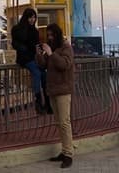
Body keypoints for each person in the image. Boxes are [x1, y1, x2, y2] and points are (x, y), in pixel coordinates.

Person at [38, 22, 75, 169]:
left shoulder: (66, 48)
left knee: (65, 122)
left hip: (63, 89)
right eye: (48, 35)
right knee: (59, 122)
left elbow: (64, 65)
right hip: (53, 89)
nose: (50, 38)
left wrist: (51, 54)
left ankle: (68, 154)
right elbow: (43, 65)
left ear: (58, 34)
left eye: (52, 35)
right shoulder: (52, 48)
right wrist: (39, 54)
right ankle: (64, 150)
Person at [10, 7, 50, 114]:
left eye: (34, 18)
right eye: (30, 18)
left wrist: (39, 48)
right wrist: (30, 48)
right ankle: (37, 100)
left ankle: (46, 100)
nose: (32, 20)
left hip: (33, 57)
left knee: (43, 74)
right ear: (26, 18)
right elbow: (16, 44)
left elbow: (35, 44)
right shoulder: (18, 29)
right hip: (24, 57)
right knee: (37, 73)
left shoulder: (34, 31)